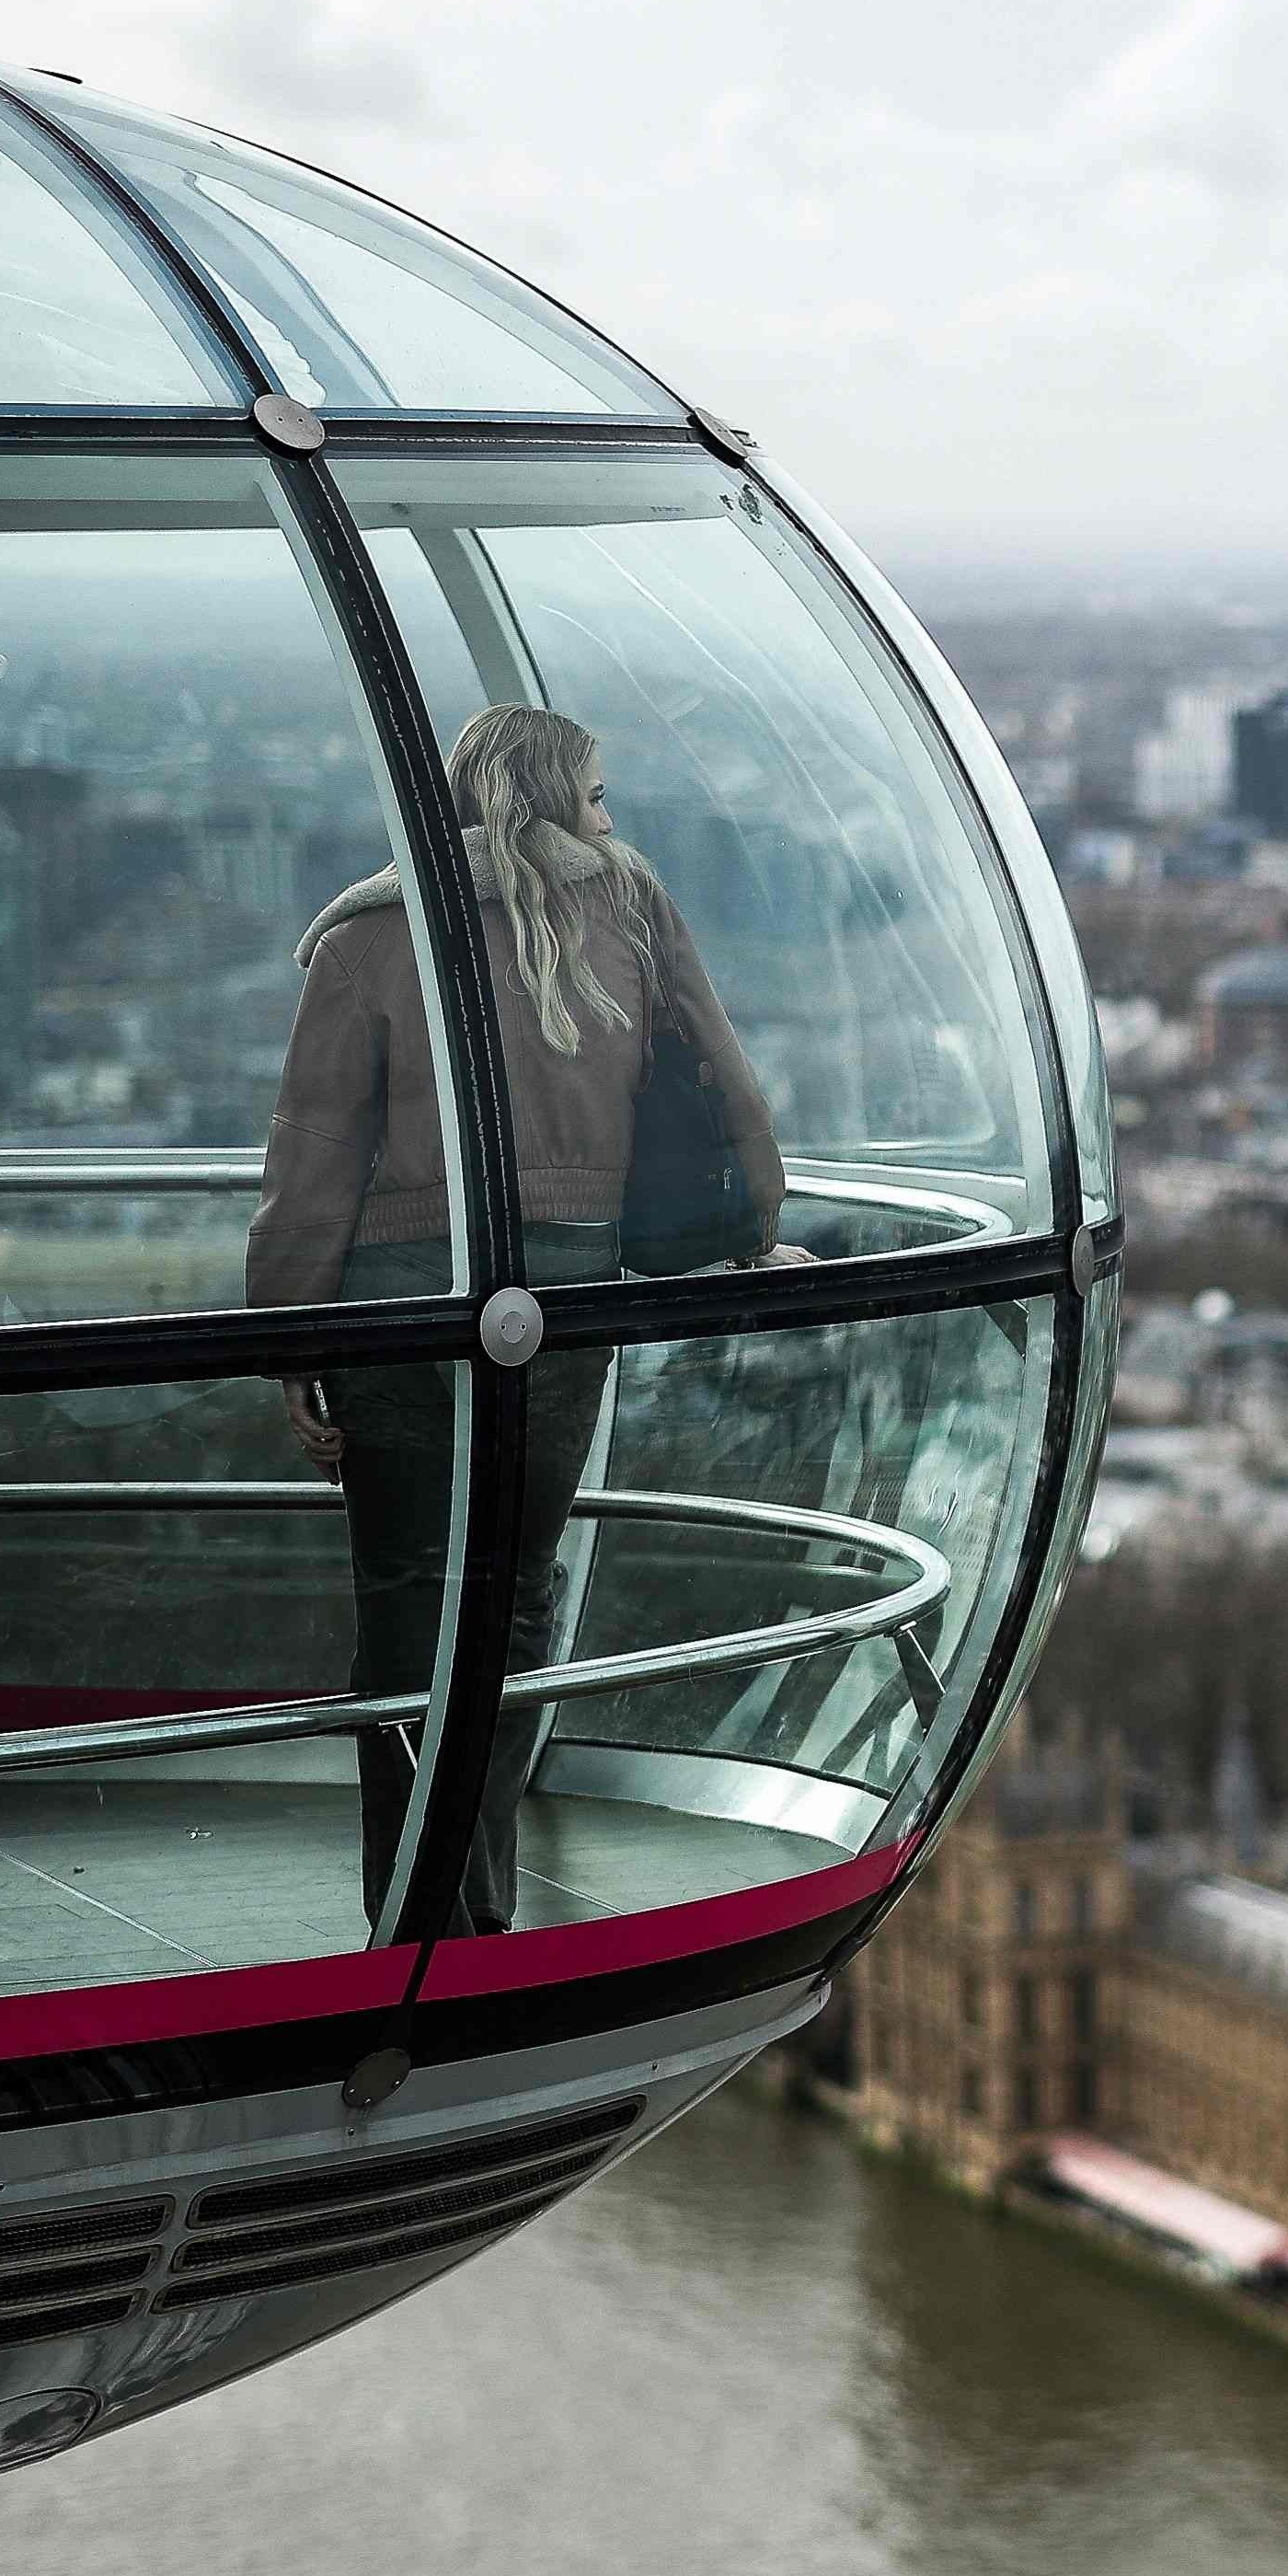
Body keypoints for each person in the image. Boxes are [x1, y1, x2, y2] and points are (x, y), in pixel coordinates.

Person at [251, 703, 786, 1936]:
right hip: (564, 1297)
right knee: (519, 1596)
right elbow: (716, 1073)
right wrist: (757, 1226)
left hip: (397, 1302)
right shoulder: (626, 904)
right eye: (597, 795)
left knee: (402, 1601)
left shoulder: (373, 930)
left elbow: (312, 1155)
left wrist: (287, 1339)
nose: (611, 820)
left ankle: (409, 1900)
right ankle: (474, 1887)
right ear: (548, 799)